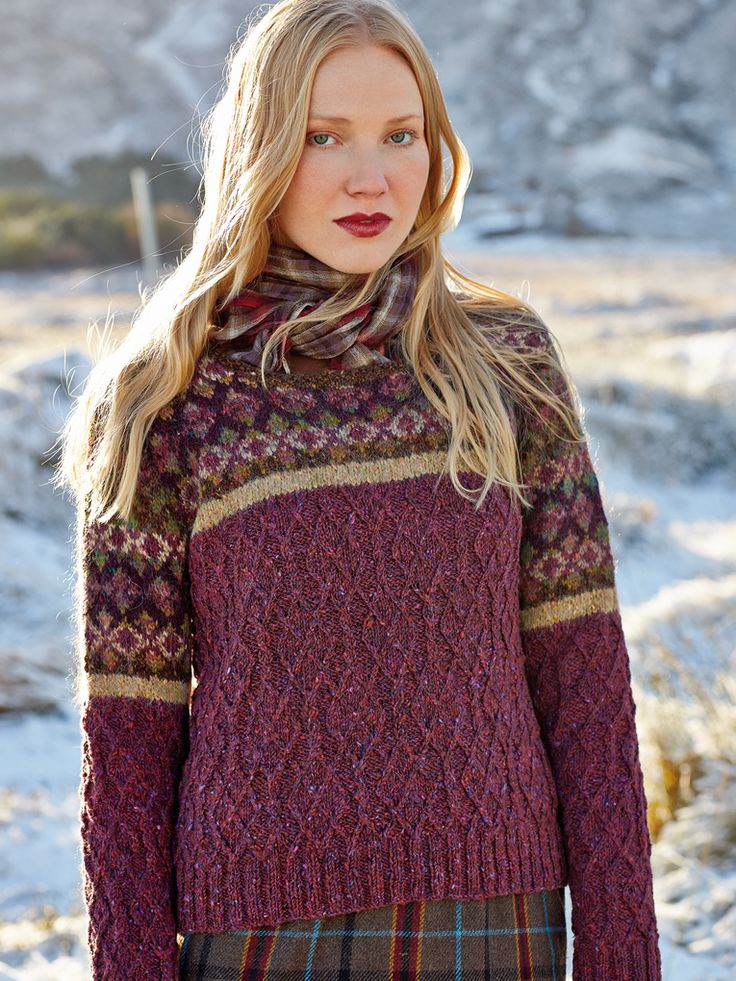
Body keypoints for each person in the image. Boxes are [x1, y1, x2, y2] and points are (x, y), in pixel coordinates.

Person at [56, 1, 663, 978]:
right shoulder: (166, 398)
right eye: (322, 136)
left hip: (494, 924)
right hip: (257, 935)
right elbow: (126, 744)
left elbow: (587, 693)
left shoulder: (505, 366)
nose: (369, 176)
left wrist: (622, 957)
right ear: (259, 148)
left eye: (399, 135)